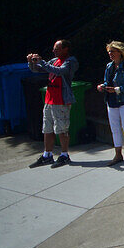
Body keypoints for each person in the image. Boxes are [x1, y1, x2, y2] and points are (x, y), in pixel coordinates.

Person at [26, 40, 79, 168]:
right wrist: (31, 62)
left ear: (65, 49)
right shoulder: (54, 60)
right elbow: (38, 69)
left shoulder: (71, 62)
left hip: (61, 100)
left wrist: (42, 62)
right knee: (47, 129)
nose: (54, 51)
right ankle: (47, 155)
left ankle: (64, 155)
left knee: (62, 129)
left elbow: (59, 71)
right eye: (54, 49)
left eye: (57, 49)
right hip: (49, 100)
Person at [98, 41, 124, 165]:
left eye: (113, 51)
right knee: (115, 128)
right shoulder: (109, 66)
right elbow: (107, 81)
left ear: (120, 52)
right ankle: (118, 154)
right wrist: (102, 86)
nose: (110, 54)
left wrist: (118, 90)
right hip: (112, 101)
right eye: (109, 51)